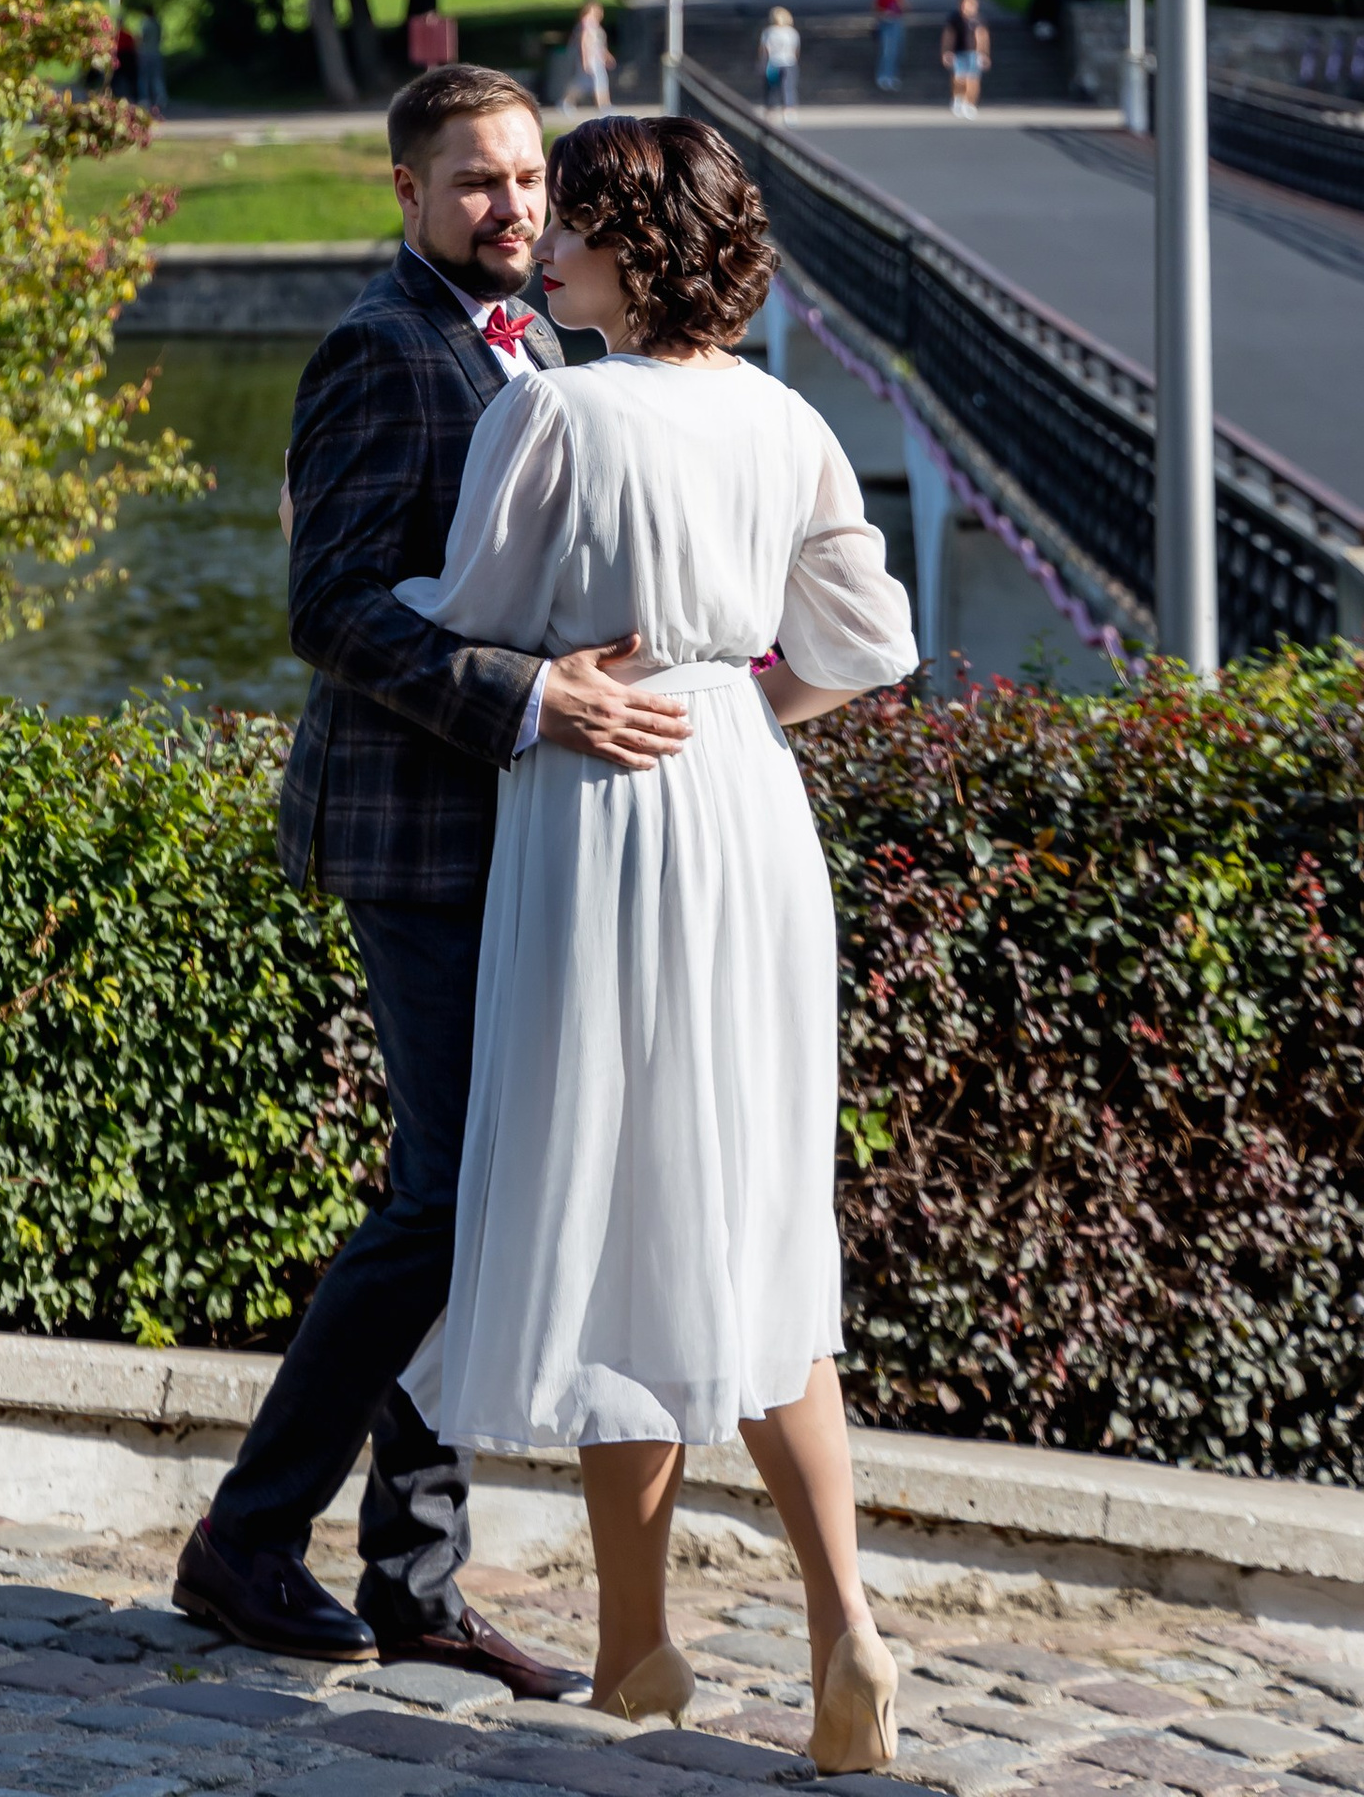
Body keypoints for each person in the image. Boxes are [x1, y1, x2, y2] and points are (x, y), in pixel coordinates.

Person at [392, 114, 919, 1754]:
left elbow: (471, 614)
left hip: (602, 801)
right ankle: (836, 1627)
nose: (544, 239)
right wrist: (750, 703)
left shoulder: (551, 408)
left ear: (635, 244)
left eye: (578, 219)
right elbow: (873, 643)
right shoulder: (786, 420)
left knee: (619, 1219)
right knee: (752, 1227)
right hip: (749, 812)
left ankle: (644, 1645)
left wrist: (378, 599)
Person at [173, 65, 688, 1695]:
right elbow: (328, 607)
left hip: (522, 834)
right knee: (449, 1200)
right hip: (413, 834)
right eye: (477, 183)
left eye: (531, 180)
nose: (515, 209)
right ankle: (247, 1543)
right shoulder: (379, 348)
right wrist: (535, 693)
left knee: (479, 1209)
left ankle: (413, 1580)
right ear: (407, 193)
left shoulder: (532, 348)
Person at [940, 0, 990, 120]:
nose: (967, 6)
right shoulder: (955, 18)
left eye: (970, 3)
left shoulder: (978, 19)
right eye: (964, 3)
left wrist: (984, 54)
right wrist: (946, 51)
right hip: (958, 52)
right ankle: (958, 98)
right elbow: (949, 35)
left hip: (973, 53)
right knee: (959, 78)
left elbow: (982, 36)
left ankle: (970, 103)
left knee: (973, 80)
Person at [574, 0, 615, 114]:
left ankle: (604, 105)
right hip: (591, 57)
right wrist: (585, 59)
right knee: (597, 81)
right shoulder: (587, 22)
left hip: (598, 58)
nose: (600, 12)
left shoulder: (595, 23)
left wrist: (607, 55)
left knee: (595, 81)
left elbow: (599, 43)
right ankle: (603, 106)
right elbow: (584, 41)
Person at [758, 4, 800, 116]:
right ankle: (789, 112)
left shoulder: (768, 32)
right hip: (789, 62)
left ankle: (769, 113)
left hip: (772, 63)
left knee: (770, 90)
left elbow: (764, 50)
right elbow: (795, 50)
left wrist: (762, 63)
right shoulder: (791, 32)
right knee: (788, 88)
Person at [873, 0, 906, 96]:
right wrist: (884, 14)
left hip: (896, 23)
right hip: (886, 23)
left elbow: (905, 8)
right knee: (886, 51)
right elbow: (876, 9)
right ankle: (883, 75)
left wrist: (899, 0)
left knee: (896, 50)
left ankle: (892, 75)